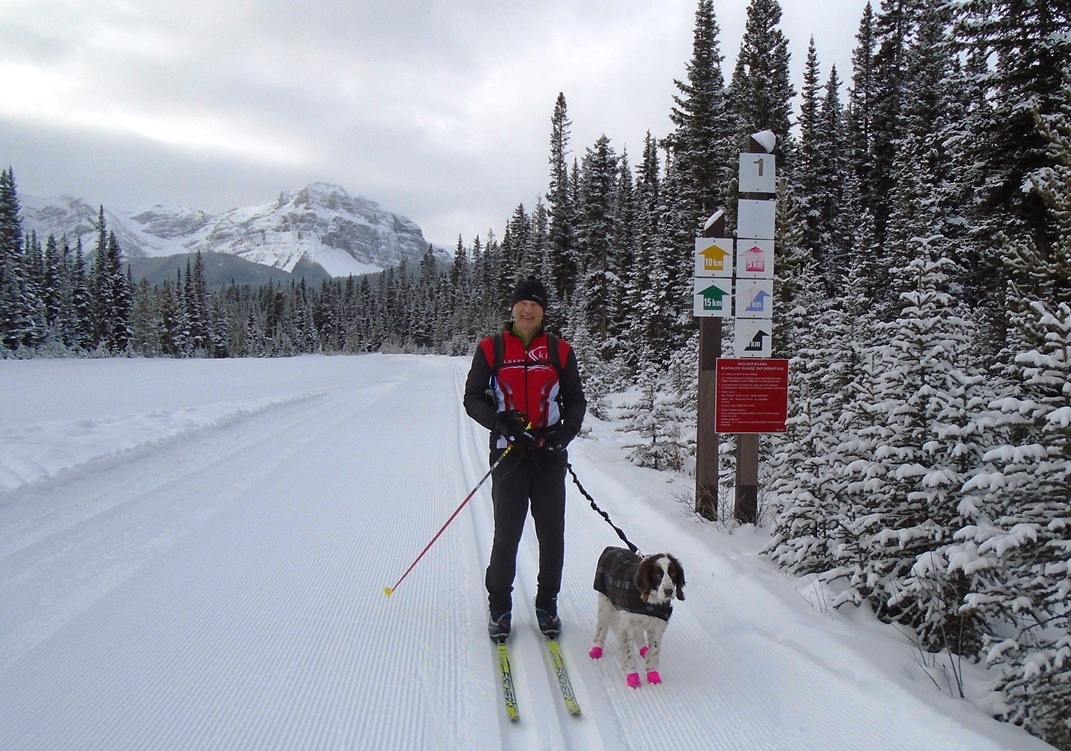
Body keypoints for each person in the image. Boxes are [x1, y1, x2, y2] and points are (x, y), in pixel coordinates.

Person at [463, 277, 587, 641]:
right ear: (513, 308)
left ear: (543, 311)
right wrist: (499, 421)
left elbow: (576, 400)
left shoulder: (560, 350)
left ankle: (547, 603)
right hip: (509, 452)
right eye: (522, 304)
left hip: (548, 453)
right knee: (507, 532)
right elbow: (472, 398)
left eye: (535, 304)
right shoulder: (491, 348)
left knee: (551, 535)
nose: (528, 310)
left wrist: (564, 433)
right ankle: (500, 606)